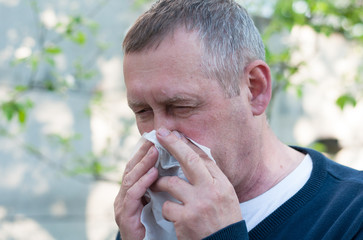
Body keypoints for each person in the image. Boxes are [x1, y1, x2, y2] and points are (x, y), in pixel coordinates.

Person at [114, 0, 363, 239]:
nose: (160, 134)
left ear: (254, 90)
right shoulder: (148, 219)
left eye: (181, 106)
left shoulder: (350, 215)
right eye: (143, 112)